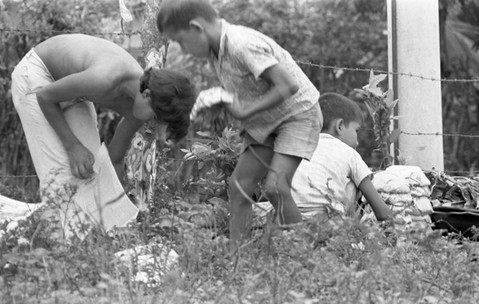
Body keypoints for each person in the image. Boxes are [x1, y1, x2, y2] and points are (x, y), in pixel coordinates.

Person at [157, 0, 322, 249]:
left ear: (196, 27)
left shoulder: (241, 44)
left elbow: (288, 86)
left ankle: (304, 257)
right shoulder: (216, 51)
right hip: (265, 121)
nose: (183, 48)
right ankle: (237, 262)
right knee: (239, 186)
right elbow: (244, 90)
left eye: (180, 40)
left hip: (297, 115)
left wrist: (245, 111)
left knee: (277, 187)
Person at [10, 33, 195, 232]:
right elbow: (46, 97)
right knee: (62, 178)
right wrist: (73, 146)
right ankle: (49, 245)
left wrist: (115, 212)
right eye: (157, 117)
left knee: (87, 172)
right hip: (37, 76)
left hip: (72, 91)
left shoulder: (139, 105)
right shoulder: (105, 78)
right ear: (147, 95)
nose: (153, 124)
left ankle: (53, 232)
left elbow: (113, 159)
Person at [291, 92, 391, 222]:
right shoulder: (349, 153)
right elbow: (382, 213)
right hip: (326, 222)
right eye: (356, 131)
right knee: (354, 182)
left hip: (288, 217)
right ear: (339, 126)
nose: (357, 142)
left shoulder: (300, 148)